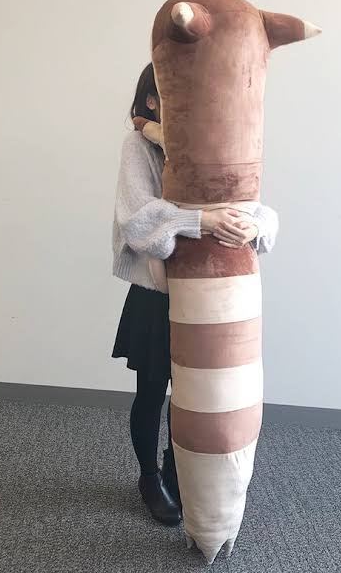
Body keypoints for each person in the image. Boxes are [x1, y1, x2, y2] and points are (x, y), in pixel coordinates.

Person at [110, 63, 279, 527]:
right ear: (151, 101)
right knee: (152, 391)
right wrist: (201, 221)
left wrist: (253, 226)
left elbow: (259, 208)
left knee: (196, 395)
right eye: (174, 93)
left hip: (211, 300)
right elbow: (136, 220)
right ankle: (149, 478)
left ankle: (177, 471)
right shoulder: (138, 146)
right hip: (159, 294)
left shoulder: (213, 144)